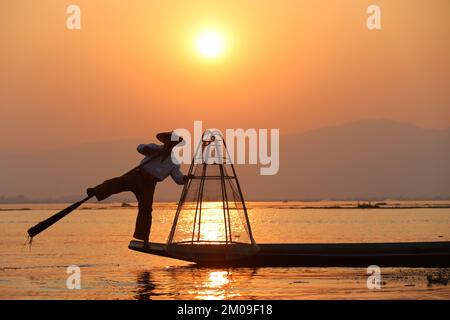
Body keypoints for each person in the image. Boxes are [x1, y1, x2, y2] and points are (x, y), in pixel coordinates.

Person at [87, 131, 188, 246]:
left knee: (146, 209)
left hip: (149, 184)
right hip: (137, 176)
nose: (170, 144)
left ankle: (144, 238)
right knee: (118, 182)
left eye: (173, 142)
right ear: (165, 141)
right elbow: (140, 148)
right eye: (169, 141)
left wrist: (185, 179)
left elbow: (178, 177)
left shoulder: (174, 161)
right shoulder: (154, 149)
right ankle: (96, 191)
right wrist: (153, 150)